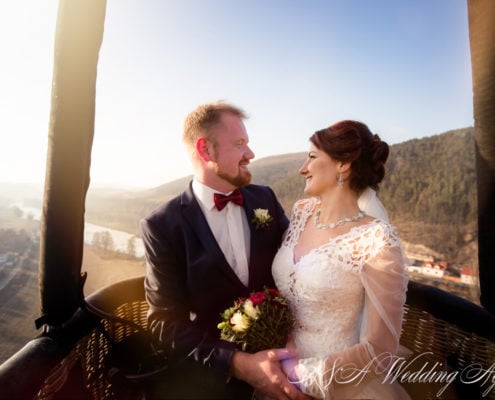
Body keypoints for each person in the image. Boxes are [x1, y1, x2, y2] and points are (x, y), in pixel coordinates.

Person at [140, 101, 309, 400]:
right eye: (240, 143)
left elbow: (298, 265)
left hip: (292, 361)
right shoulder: (162, 225)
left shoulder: (264, 199)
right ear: (206, 150)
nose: (251, 154)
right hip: (213, 382)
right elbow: (163, 322)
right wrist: (237, 364)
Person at [272, 120, 410, 399]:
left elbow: (380, 347)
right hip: (280, 369)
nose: (302, 168)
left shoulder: (376, 239)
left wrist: (305, 377)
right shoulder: (300, 213)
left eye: (311, 157)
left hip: (339, 383)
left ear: (343, 164)